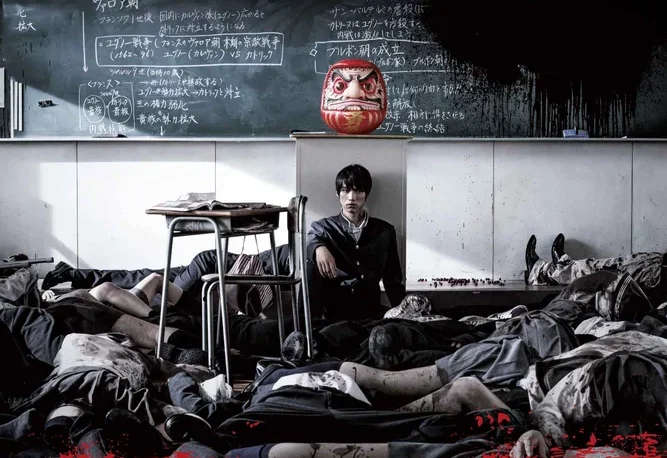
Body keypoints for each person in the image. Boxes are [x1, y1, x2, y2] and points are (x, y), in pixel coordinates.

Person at [525, 233, 667, 305]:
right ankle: (560, 268)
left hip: (658, 273)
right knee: (613, 266)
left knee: (607, 272)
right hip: (658, 267)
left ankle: (544, 272)